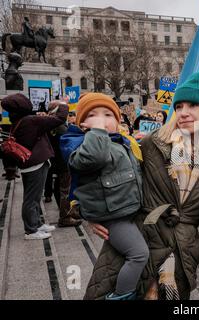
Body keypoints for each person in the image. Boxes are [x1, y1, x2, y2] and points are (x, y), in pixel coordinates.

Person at [83, 72, 199, 300]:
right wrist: (90, 212)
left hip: (181, 253)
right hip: (143, 241)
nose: (183, 112)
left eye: (193, 105)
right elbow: (104, 173)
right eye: (179, 106)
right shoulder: (152, 143)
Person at [61, 92, 149, 300]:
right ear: (81, 122)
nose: (102, 120)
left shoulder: (119, 140)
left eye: (108, 115)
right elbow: (95, 157)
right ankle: (122, 295)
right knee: (138, 254)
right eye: (93, 114)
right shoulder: (78, 142)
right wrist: (97, 130)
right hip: (113, 216)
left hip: (125, 209)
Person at [1, 93, 68, 240]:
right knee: (31, 198)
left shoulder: (19, 120)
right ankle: (31, 230)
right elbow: (60, 118)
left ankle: (37, 223)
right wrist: (63, 104)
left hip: (32, 163)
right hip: (34, 164)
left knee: (35, 197)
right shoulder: (30, 121)